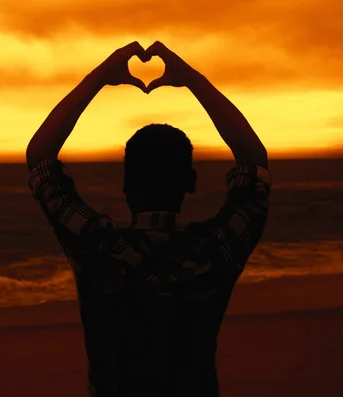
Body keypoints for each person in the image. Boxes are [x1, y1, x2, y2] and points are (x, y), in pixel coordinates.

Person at [26, 41, 271, 396]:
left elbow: (40, 158)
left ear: (125, 184)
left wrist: (101, 76)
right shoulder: (214, 250)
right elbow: (254, 163)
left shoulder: (98, 247)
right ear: (191, 183)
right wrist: (191, 79)